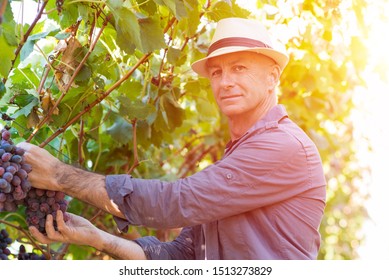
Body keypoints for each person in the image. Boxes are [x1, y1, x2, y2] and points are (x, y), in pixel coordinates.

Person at [18, 17, 326, 260]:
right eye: (217, 72)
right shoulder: (237, 160)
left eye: (239, 68)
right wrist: (98, 238)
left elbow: (176, 203)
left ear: (273, 77)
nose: (225, 82)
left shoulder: (284, 147)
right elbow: (180, 257)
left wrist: (61, 176)